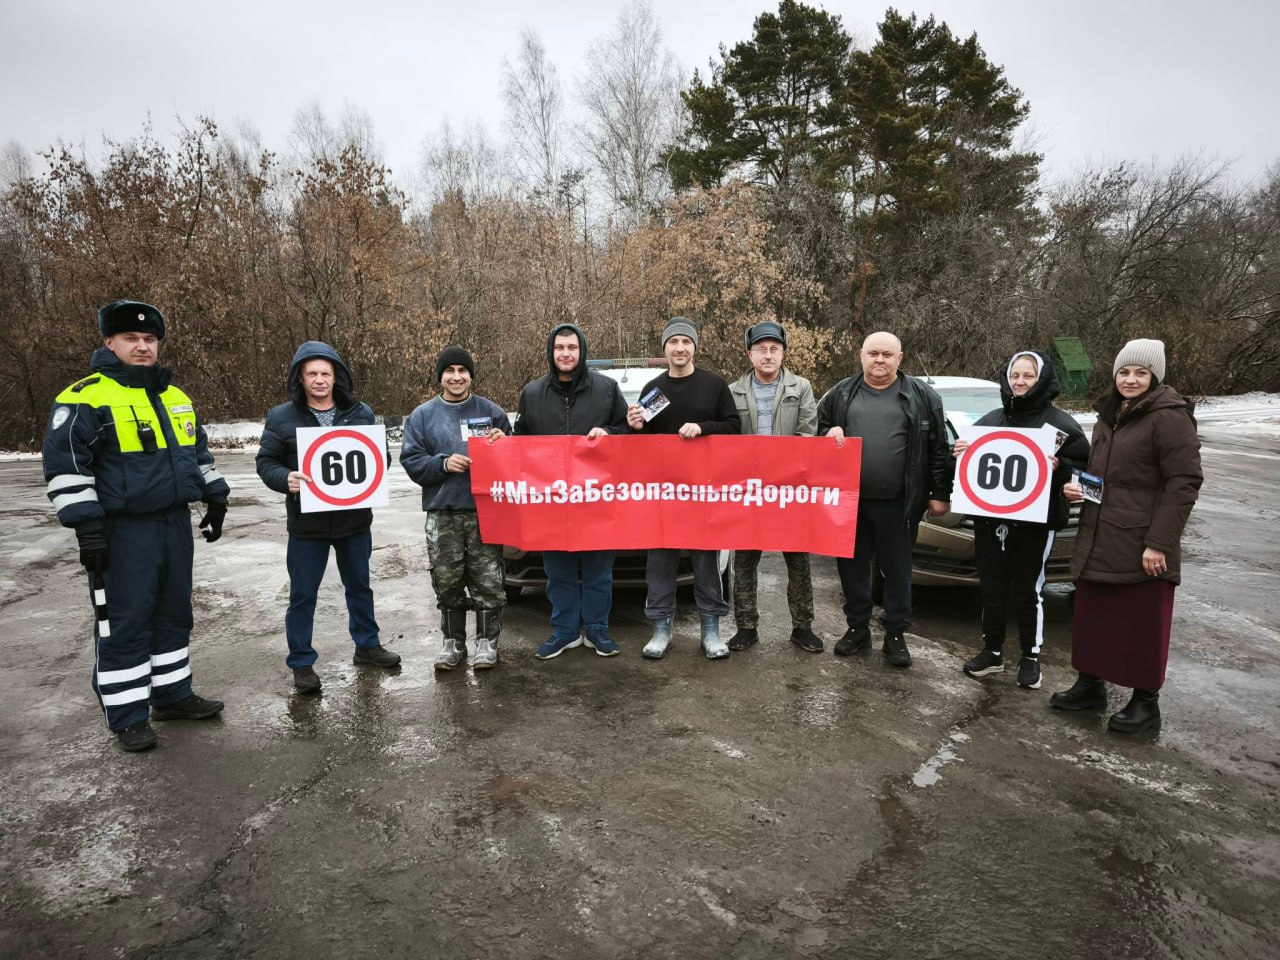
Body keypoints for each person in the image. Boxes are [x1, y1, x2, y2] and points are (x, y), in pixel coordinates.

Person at [42, 301, 229, 752]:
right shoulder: (83, 397)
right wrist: (87, 527)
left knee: (173, 613)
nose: (142, 346)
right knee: (124, 622)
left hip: (172, 524)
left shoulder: (174, 396)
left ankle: (171, 696)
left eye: (149, 340)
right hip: (121, 530)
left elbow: (197, 454)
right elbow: (66, 467)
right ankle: (126, 715)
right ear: (109, 342)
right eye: (131, 339)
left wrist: (215, 494)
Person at [1050, 339, 1202, 733]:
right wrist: (1082, 487)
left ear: (1155, 378)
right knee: (1094, 616)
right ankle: (1090, 686)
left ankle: (1145, 703)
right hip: (1100, 535)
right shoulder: (1110, 415)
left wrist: (1159, 543)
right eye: (1124, 372)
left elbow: (1183, 482)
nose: (1130, 379)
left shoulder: (1169, 416)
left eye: (1140, 373)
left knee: (1142, 624)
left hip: (1142, 541)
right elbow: (1109, 477)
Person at [256, 342, 399, 695]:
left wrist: (375, 469)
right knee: (303, 595)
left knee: (360, 587)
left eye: (325, 374)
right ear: (300, 379)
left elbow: (378, 459)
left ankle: (367, 645)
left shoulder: (360, 413)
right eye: (312, 374)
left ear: (337, 377)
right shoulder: (281, 417)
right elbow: (266, 462)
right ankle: (301, 662)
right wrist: (284, 479)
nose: (319, 380)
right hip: (307, 525)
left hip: (353, 522)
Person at [954, 351, 1089, 690]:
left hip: (1035, 524)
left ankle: (1030, 656)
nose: (1020, 381)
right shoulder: (989, 421)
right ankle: (992, 651)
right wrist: (958, 453)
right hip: (989, 523)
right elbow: (965, 470)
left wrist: (1063, 473)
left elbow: (1087, 473)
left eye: (1028, 375)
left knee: (1029, 591)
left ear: (1042, 379)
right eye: (1015, 375)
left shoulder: (1061, 426)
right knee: (992, 588)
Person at [817, 331, 951, 668]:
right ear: (861, 355)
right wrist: (825, 433)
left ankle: (895, 634)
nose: (880, 360)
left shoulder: (923, 397)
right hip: (850, 503)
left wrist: (939, 493)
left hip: (899, 502)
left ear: (900, 359)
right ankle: (857, 628)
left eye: (887, 354)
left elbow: (938, 449)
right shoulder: (840, 394)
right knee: (852, 570)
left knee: (898, 571)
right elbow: (815, 434)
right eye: (873, 353)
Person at [512, 323, 629, 660]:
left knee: (598, 572)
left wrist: (609, 432)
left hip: (596, 500)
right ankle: (564, 633)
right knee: (558, 573)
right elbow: (520, 442)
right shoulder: (532, 393)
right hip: (551, 502)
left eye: (572, 348)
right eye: (560, 347)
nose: (566, 353)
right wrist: (498, 443)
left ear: (582, 352)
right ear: (551, 351)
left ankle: (597, 630)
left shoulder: (606, 390)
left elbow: (627, 433)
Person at [626, 317, 741, 659]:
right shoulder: (653, 390)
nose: (679, 348)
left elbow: (734, 427)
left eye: (686, 342)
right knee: (660, 562)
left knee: (706, 562)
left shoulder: (714, 385)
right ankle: (661, 629)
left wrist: (703, 428)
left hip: (704, 492)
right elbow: (644, 442)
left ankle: (711, 631)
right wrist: (634, 427)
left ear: (695, 347)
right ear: (665, 349)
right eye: (673, 342)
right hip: (664, 495)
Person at [401, 347, 511, 670]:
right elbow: (411, 460)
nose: (456, 376)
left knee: (488, 580)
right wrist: (444, 463)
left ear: (471, 375)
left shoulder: (491, 412)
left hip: (484, 512)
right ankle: (453, 642)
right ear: (441, 377)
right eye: (449, 371)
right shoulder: (422, 416)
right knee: (447, 580)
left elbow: (515, 456)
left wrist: (503, 443)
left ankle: (487, 643)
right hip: (442, 513)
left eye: (463, 370)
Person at [726, 321, 822, 653]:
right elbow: (727, 439)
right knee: (744, 561)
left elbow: (808, 432)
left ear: (783, 352)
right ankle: (746, 627)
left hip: (788, 488)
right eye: (761, 349)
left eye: (774, 349)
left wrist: (782, 472)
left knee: (798, 560)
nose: (768, 355)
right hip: (748, 490)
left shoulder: (802, 387)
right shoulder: (733, 390)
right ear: (750, 353)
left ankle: (802, 627)